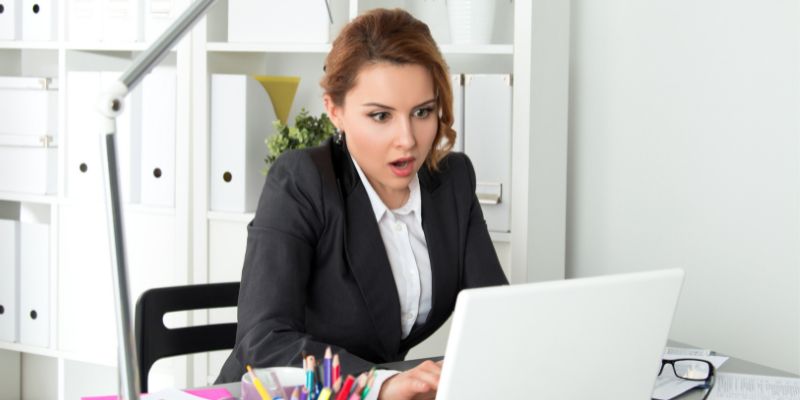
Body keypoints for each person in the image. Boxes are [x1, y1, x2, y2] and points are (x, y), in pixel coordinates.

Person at [217, 8, 508, 399]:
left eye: (422, 112)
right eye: (380, 116)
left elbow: (495, 316)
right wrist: (380, 383)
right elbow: (263, 340)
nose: (407, 139)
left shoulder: (452, 181)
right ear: (335, 110)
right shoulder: (300, 182)